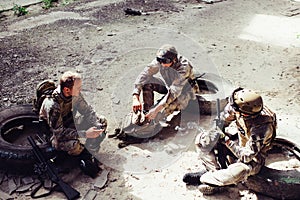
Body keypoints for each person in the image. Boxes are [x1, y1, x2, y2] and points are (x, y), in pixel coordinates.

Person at [183, 88, 277, 195]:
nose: (231, 108)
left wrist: (226, 140)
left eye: (234, 108)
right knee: (203, 140)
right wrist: (216, 131)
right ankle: (213, 171)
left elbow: (247, 157)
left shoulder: (262, 128)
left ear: (245, 114)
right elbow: (223, 119)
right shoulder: (240, 107)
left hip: (253, 158)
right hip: (239, 142)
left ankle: (210, 180)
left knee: (240, 170)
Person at [39, 71, 107, 178]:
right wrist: (86, 134)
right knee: (74, 145)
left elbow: (87, 111)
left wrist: (97, 125)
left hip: (69, 123)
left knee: (102, 121)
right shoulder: (53, 105)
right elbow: (59, 133)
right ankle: (80, 155)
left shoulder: (74, 94)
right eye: (78, 88)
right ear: (67, 90)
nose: (80, 90)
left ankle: (88, 153)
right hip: (54, 134)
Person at [132, 44, 199, 124]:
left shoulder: (184, 68)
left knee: (159, 114)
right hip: (169, 87)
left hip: (184, 92)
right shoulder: (161, 61)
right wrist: (135, 97)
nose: (162, 64)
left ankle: (153, 119)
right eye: (160, 60)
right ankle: (147, 113)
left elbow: (174, 92)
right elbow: (145, 74)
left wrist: (156, 110)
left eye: (165, 61)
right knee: (147, 82)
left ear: (174, 60)